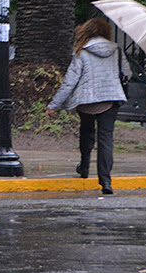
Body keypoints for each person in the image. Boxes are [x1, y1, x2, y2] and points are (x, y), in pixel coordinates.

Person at [46, 18, 129, 195]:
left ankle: (84, 167)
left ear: (86, 31)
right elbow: (127, 73)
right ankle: (105, 181)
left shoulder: (81, 52)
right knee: (106, 139)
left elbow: (69, 82)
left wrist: (54, 105)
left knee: (86, 132)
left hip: (86, 100)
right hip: (110, 99)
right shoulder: (116, 50)